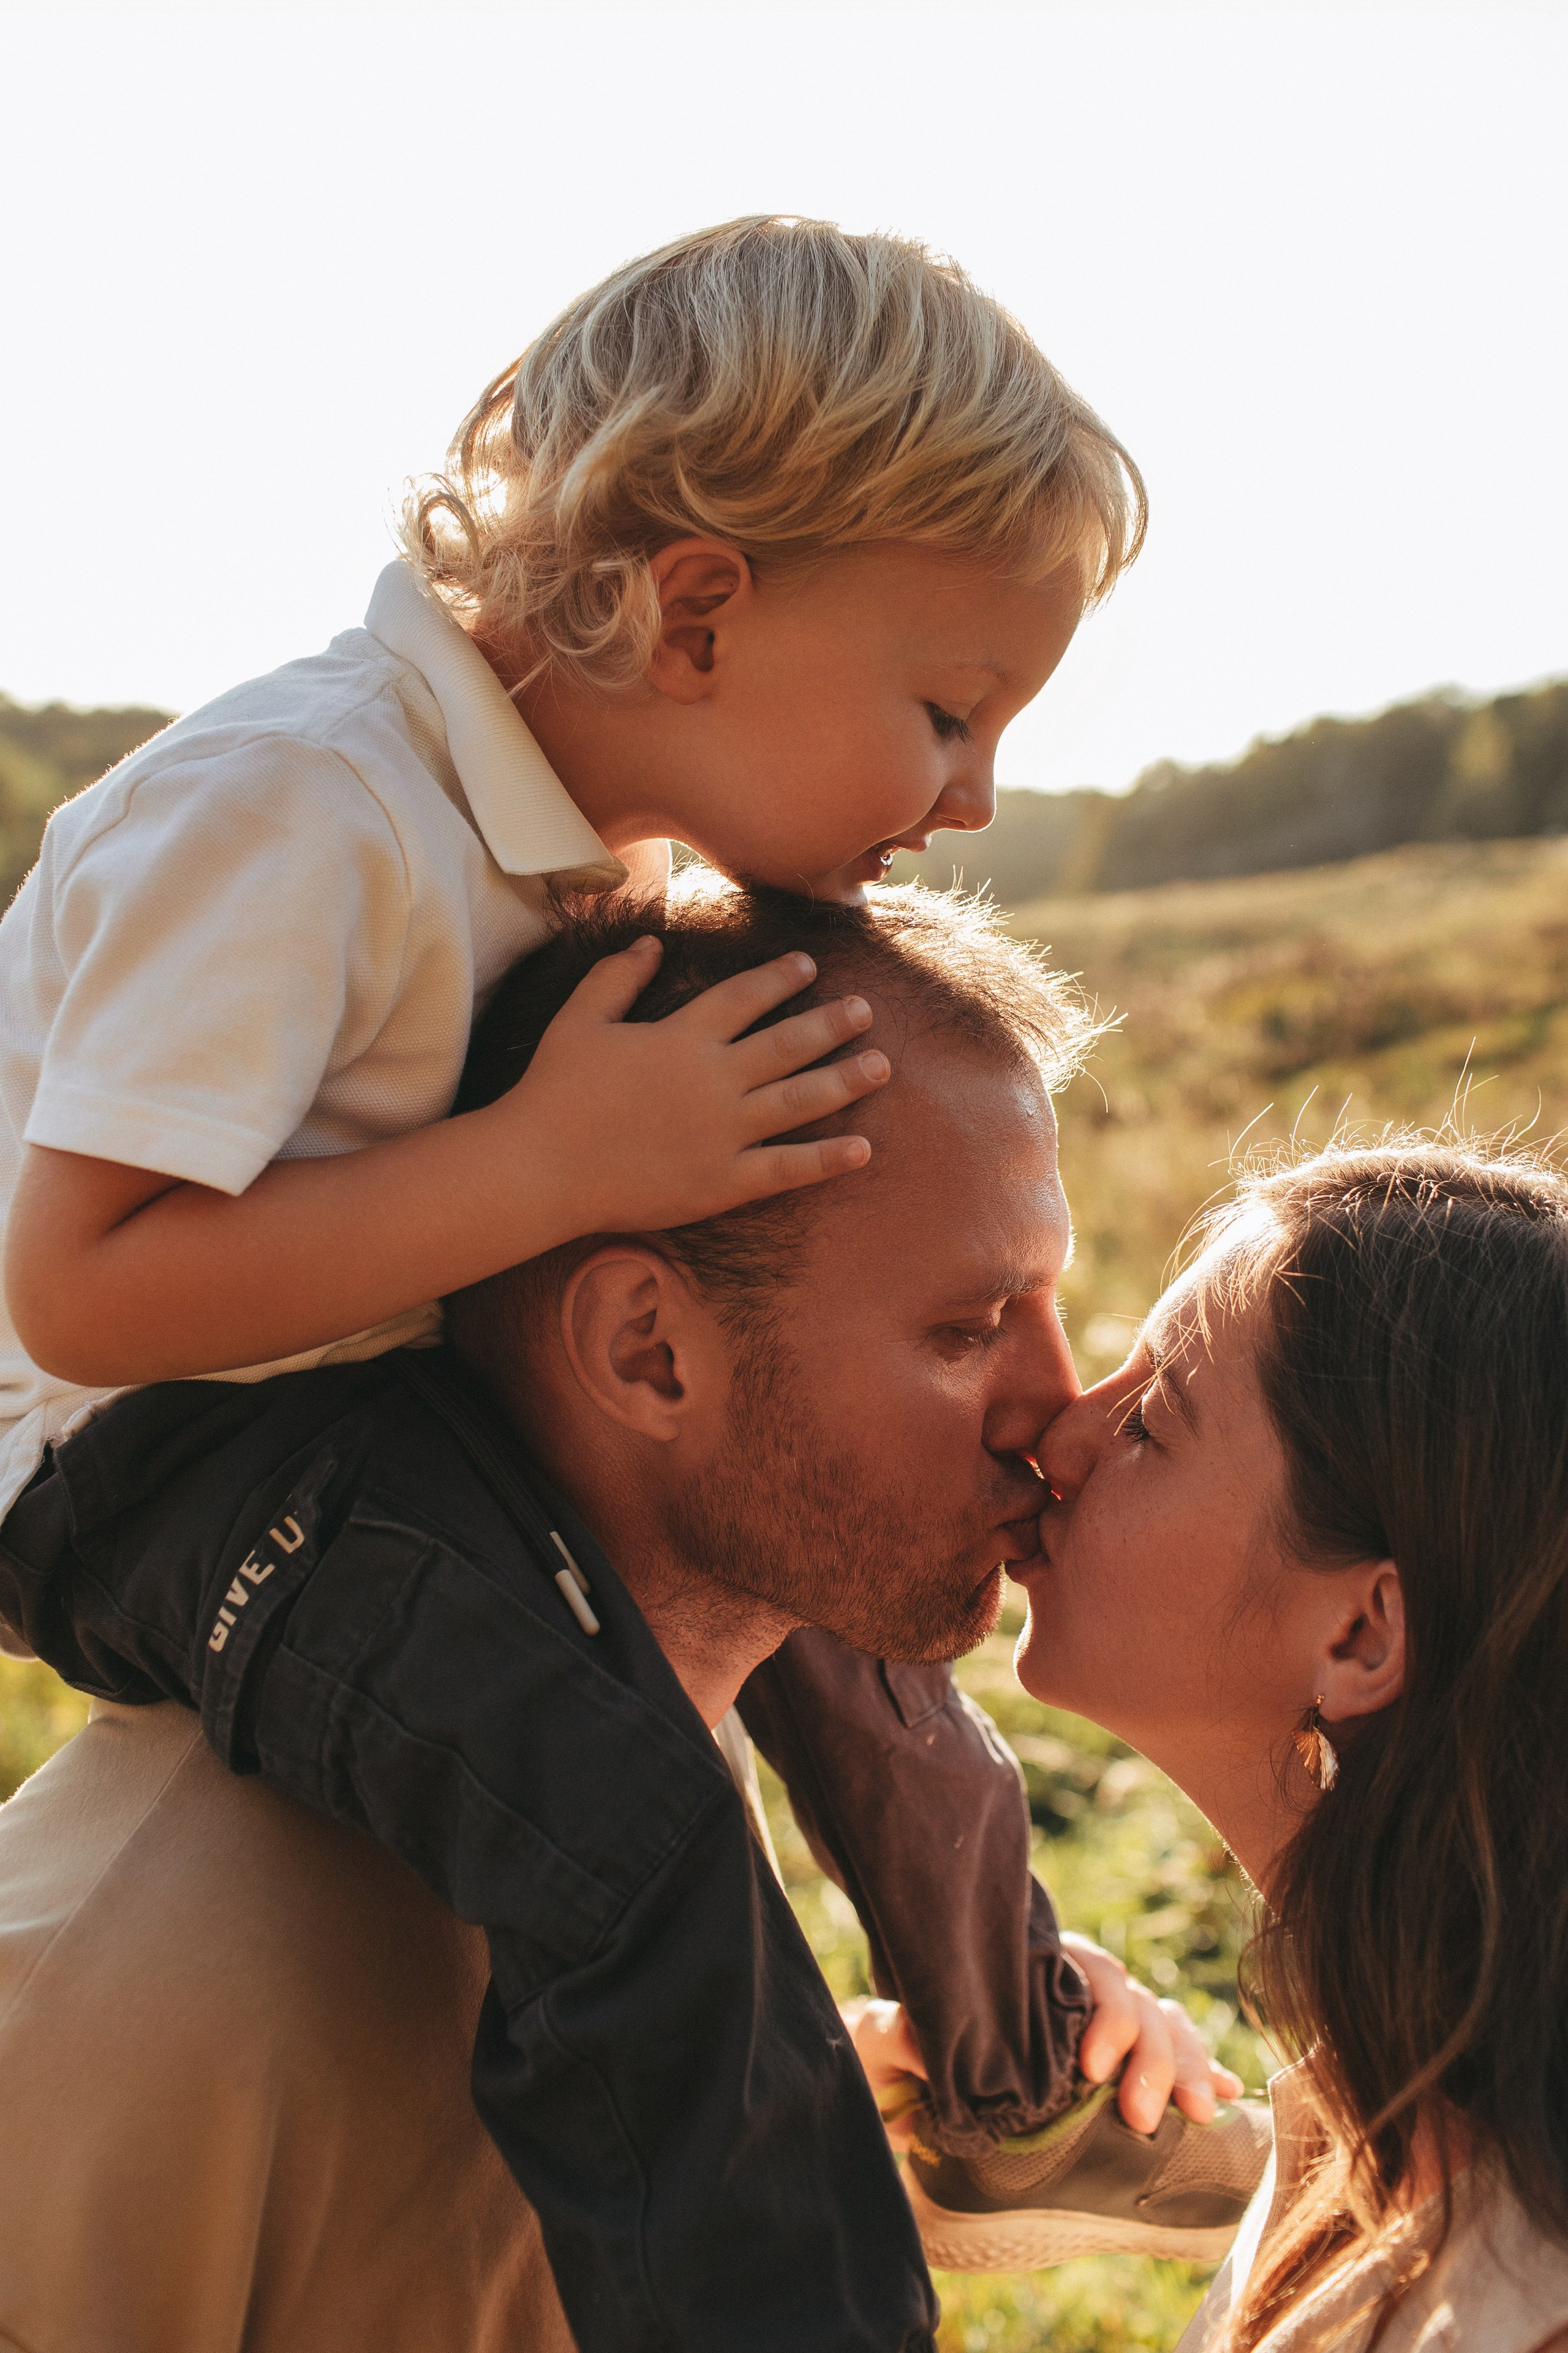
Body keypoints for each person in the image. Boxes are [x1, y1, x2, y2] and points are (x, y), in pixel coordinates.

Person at [0, 216, 1169, 2313]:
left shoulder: (578, 838)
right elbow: (80, 1290)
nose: (975, 795)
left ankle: (1012, 2082)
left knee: (840, 1590)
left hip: (345, 1379)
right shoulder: (301, 799)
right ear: (702, 607)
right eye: (946, 707)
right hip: (135, 1448)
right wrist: (545, 1166)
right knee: (613, 1814)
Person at [0, 881, 1261, 2352]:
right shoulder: (131, 1998)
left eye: (1050, 1302)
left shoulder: (661, 1768)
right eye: (967, 1327)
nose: (1056, 1415)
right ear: (647, 1351)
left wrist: (825, 2087)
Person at [958, 1140, 1568, 2351]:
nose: (1058, 1436)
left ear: (1355, 1632)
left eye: (1152, 1419)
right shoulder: (1371, 2115)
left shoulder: (1514, 2303)